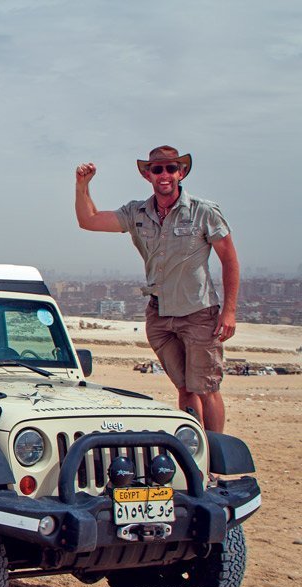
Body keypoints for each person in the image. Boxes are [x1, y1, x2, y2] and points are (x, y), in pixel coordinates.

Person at [74, 146, 240, 433]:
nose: (164, 175)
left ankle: (216, 458)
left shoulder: (204, 212)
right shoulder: (137, 213)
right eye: (157, 169)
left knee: (207, 388)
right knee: (185, 389)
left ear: (181, 172)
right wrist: (82, 186)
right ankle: (196, 452)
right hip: (160, 315)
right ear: (148, 175)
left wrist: (230, 311)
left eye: (170, 168)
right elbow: (88, 220)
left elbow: (230, 260)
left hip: (198, 312)